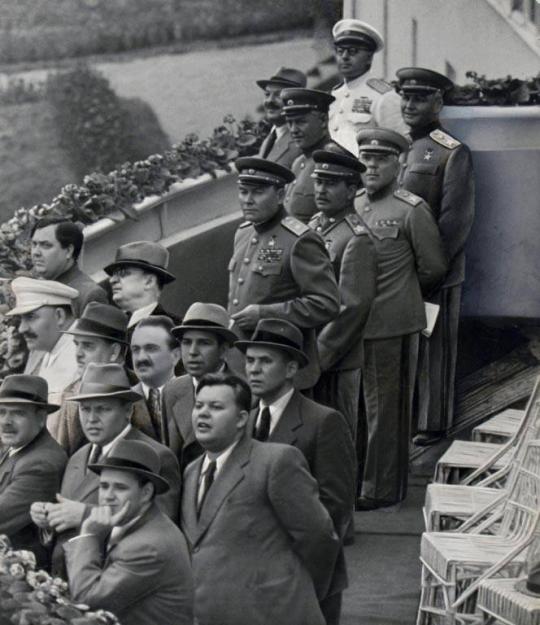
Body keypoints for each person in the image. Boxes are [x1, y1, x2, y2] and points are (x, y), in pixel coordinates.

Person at [181, 373, 339, 625]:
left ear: (242, 418)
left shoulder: (276, 461)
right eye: (199, 405)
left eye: (216, 407)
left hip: (272, 614)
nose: (203, 413)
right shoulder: (191, 472)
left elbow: (319, 536)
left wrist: (294, 591)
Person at [237, 319, 355, 625]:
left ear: (291, 369)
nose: (253, 369)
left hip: (308, 576)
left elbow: (336, 507)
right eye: (249, 360)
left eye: (265, 361)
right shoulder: (244, 423)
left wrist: (297, 568)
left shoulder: (323, 422)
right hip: (250, 578)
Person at [354, 128, 447, 509]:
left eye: (381, 159)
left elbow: (433, 267)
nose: (371, 166)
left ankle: (380, 489)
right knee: (357, 406)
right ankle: (358, 478)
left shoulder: (411, 209)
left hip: (390, 323)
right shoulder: (354, 205)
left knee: (385, 409)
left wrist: (399, 296)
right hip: (352, 324)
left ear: (400, 164)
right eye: (366, 159)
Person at [30, 363, 181, 576]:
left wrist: (84, 515)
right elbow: (67, 522)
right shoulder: (78, 456)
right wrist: (48, 519)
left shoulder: (155, 455)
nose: (91, 419)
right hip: (65, 579)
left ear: (128, 411)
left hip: (115, 579)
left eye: (103, 409)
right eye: (85, 409)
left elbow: (158, 528)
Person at [396, 67, 475, 446]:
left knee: (434, 346)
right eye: (406, 98)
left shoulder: (451, 151)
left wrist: (432, 268)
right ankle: (408, 418)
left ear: (438, 103)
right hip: (400, 269)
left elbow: (455, 219)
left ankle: (432, 422)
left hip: (437, 269)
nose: (410, 105)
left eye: (419, 98)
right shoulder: (401, 148)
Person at [228, 156, 339, 390]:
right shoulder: (244, 233)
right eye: (243, 191)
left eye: (257, 192)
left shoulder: (300, 240)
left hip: (282, 365)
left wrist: (265, 313)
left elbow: (326, 303)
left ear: (279, 196)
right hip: (241, 364)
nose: (247, 200)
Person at [63, 440, 193, 625]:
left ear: (146, 492)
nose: (108, 496)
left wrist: (88, 534)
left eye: (120, 488)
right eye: (104, 486)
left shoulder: (148, 546)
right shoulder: (139, 521)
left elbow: (86, 598)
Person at [308, 148, 377, 436]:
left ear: (351, 191)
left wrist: (318, 359)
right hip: (308, 355)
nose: (321, 190)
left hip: (337, 361)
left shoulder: (356, 239)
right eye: (318, 181)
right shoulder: (314, 226)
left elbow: (352, 307)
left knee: (338, 438)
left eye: (331, 183)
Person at [0, 375, 67, 566]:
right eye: (2, 412)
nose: (6, 421)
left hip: (20, 577)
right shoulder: (19, 448)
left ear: (41, 418)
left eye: (18, 413)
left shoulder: (42, 463)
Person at [163, 302, 238, 470]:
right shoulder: (173, 390)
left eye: (204, 343)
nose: (192, 351)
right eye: (187, 342)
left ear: (224, 350)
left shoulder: (243, 393)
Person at [55, 302, 129, 454]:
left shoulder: (138, 391)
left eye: (88, 346)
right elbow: (64, 452)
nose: (78, 354)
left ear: (114, 351)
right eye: (77, 345)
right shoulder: (71, 393)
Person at [328, 18, 407, 156]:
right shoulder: (334, 95)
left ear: (369, 57)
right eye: (340, 51)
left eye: (352, 51)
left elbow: (401, 147)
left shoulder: (384, 96)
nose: (345, 57)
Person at [7, 277, 79, 409]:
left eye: (31, 317)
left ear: (59, 316)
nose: (22, 328)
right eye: (21, 319)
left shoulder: (80, 354)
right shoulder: (51, 347)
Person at [281, 87, 341, 223]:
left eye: (301, 122)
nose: (293, 130)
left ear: (323, 121)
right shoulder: (298, 162)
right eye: (290, 123)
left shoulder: (334, 160)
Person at [30, 217, 108, 317]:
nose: (35, 252)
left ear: (68, 251)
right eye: (33, 244)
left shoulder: (89, 295)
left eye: (46, 245)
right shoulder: (39, 289)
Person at [104, 241, 180, 330]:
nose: (112, 280)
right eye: (113, 274)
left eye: (122, 273)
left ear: (149, 282)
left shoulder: (174, 330)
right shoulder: (111, 327)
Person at [130, 316, 181, 444]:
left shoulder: (194, 398)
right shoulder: (123, 403)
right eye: (135, 350)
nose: (141, 358)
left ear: (175, 355)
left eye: (151, 349)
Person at [256, 66, 307, 167]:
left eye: (278, 95)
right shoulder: (270, 139)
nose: (269, 101)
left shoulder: (302, 142)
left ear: (298, 99)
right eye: (267, 94)